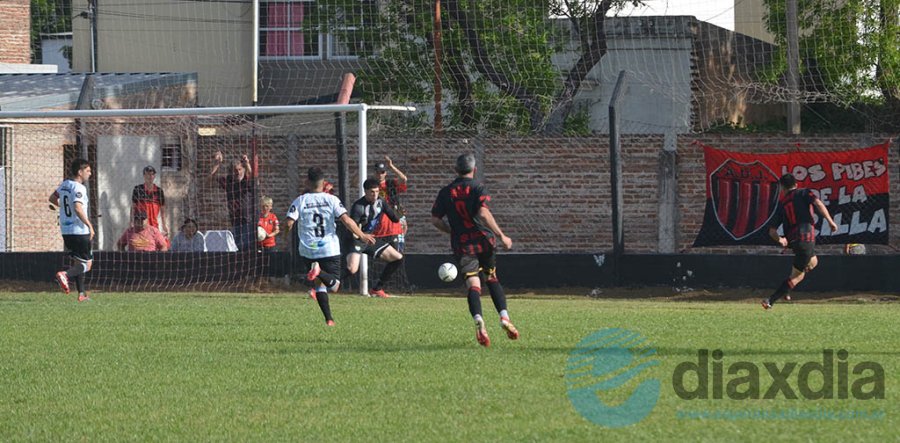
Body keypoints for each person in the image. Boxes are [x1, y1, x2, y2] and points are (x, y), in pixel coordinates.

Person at [430, 153, 519, 347]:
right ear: (474, 169)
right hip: (483, 240)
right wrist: (502, 236)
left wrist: (451, 230)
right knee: (492, 277)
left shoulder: (446, 192)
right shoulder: (478, 188)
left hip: (462, 243)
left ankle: (479, 319)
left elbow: (436, 219)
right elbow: (483, 213)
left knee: (473, 284)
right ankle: (504, 317)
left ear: (456, 170)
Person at [284, 167, 375, 326]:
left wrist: (284, 232)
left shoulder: (300, 200)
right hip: (328, 248)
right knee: (334, 286)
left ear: (307, 182)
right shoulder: (331, 199)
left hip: (307, 249)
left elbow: (289, 223)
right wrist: (362, 235)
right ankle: (318, 272)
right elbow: (346, 220)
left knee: (319, 285)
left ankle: (329, 319)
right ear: (323, 183)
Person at [762, 173, 839, 309]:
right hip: (806, 239)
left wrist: (781, 240)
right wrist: (830, 221)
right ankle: (771, 300)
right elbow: (818, 203)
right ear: (796, 185)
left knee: (813, 262)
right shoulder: (804, 193)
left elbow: (772, 232)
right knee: (798, 276)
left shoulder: (783, 203)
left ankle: (787, 289)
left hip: (794, 241)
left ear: (782, 188)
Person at [346, 178, 405, 298]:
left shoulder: (381, 202)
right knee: (352, 269)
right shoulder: (358, 207)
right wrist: (362, 236)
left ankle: (377, 289)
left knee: (398, 258)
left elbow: (394, 218)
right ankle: (322, 284)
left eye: (377, 191)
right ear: (365, 191)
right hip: (356, 239)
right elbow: (351, 229)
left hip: (370, 239)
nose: (375, 195)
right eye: (372, 192)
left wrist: (399, 212)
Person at [50, 158, 95, 302]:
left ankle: (81, 294)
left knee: (78, 262)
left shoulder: (64, 185)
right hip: (79, 231)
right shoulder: (79, 187)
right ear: (80, 172)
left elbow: (52, 198)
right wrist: (89, 225)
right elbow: (77, 208)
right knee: (86, 265)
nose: (90, 173)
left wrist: (63, 207)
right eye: (87, 170)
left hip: (66, 231)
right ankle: (65, 275)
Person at [209, 150, 256, 251]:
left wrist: (247, 164)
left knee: (246, 248)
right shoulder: (229, 181)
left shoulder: (246, 181)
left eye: (239, 170)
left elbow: (254, 178)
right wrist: (217, 164)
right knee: (236, 248)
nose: (237, 173)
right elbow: (211, 178)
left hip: (247, 220)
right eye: (235, 170)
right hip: (234, 220)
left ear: (243, 170)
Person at [373, 156, 408, 251]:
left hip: (394, 216)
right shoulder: (372, 185)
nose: (380, 174)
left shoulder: (391, 184)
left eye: (382, 172)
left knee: (398, 251)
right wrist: (361, 168)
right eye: (377, 172)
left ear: (385, 173)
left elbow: (404, 179)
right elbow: (354, 183)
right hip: (379, 220)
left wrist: (391, 166)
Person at [132, 165, 168, 238]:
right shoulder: (138, 189)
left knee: (156, 242)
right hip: (141, 223)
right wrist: (131, 222)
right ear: (144, 176)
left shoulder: (159, 191)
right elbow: (133, 207)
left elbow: (163, 210)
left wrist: (164, 225)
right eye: (148, 174)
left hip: (153, 223)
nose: (150, 176)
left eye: (152, 174)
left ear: (154, 176)